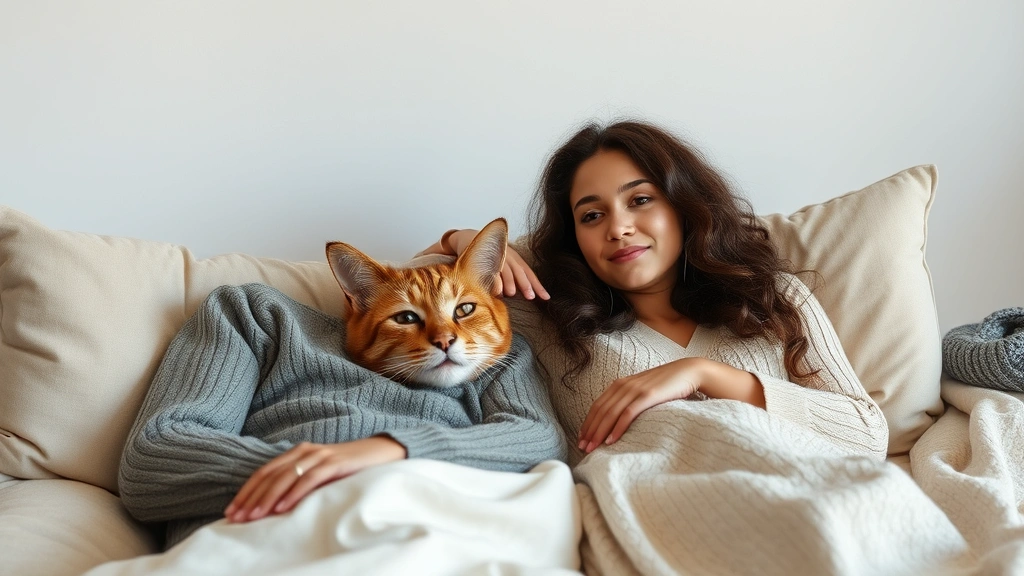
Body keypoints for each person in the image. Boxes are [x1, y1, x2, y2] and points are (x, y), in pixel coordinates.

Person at [419, 120, 888, 464]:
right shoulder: (545, 313)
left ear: (683, 206)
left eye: (640, 200)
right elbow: (399, 294)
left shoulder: (774, 298)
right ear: (574, 238)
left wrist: (702, 374)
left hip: (811, 499)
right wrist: (461, 242)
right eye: (591, 215)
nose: (619, 228)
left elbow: (869, 435)